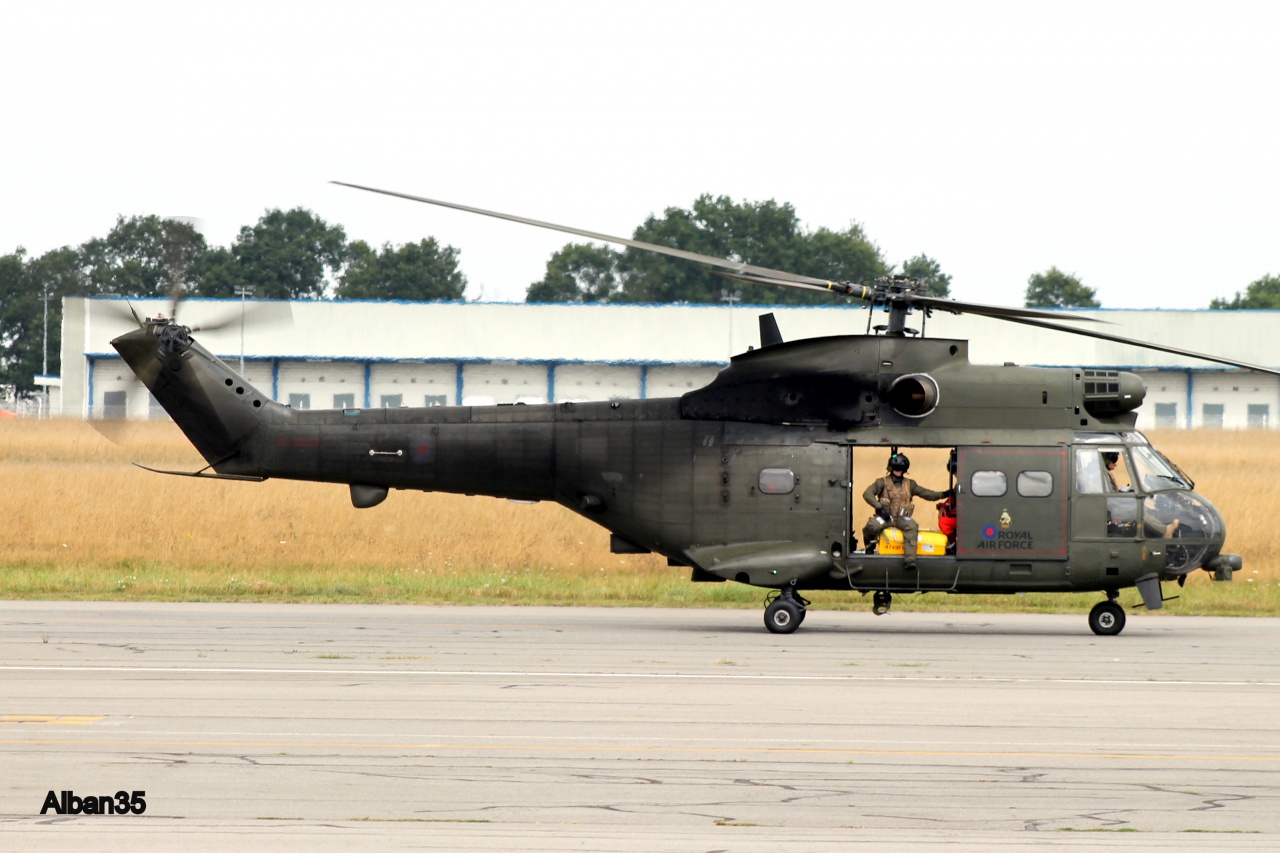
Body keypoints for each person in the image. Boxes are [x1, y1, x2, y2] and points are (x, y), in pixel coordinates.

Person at [862, 453, 951, 570]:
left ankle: (909, 560)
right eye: (897, 469)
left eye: (902, 470)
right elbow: (867, 494)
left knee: (912, 526)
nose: (899, 472)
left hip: (902, 518)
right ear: (891, 469)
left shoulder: (910, 484)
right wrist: (879, 507)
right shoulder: (881, 482)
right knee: (871, 526)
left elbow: (927, 494)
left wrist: (944, 494)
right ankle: (869, 547)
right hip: (885, 517)